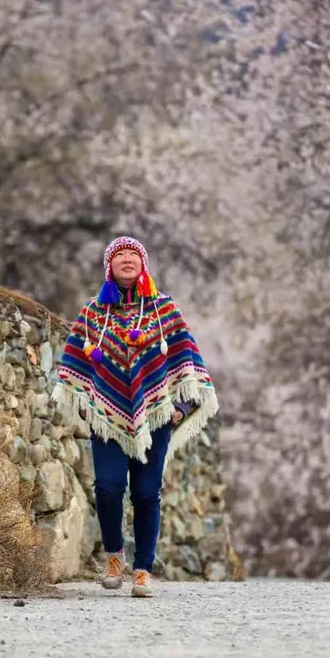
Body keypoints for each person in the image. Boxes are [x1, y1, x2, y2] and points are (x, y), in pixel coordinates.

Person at [52, 235, 219, 597]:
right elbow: (74, 366)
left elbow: (190, 367)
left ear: (143, 264)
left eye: (133, 254)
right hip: (106, 419)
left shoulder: (165, 311)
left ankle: (142, 569)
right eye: (119, 254)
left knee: (146, 494)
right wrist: (86, 403)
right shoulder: (93, 312)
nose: (127, 259)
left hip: (156, 418)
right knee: (108, 489)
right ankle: (114, 557)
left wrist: (181, 409)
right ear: (109, 266)